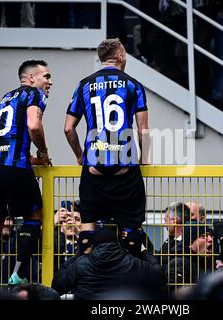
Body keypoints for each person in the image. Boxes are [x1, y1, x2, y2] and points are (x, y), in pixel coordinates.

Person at [64, 38, 149, 256]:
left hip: (94, 167)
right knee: (132, 228)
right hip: (124, 167)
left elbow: (68, 128)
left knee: (88, 225)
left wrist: (80, 156)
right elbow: (143, 130)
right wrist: (144, 158)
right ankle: (127, 277)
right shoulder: (133, 84)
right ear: (120, 56)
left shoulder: (84, 84)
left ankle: (86, 281)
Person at [0, 59, 53, 286]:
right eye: (46, 76)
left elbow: (6, 141)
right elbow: (34, 126)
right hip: (14, 167)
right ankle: (17, 275)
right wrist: (44, 153)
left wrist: (33, 158)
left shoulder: (6, 98)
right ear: (31, 79)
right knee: (33, 217)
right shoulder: (34, 94)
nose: (50, 81)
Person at [51, 227, 166, 300]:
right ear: (117, 243)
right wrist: (145, 252)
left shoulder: (81, 263)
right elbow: (159, 277)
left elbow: (57, 286)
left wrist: (78, 255)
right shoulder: (132, 262)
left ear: (94, 245)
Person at [167, 221, 214, 291]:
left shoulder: (208, 261)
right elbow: (175, 293)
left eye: (210, 236)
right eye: (203, 236)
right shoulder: (179, 263)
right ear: (190, 243)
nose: (211, 239)